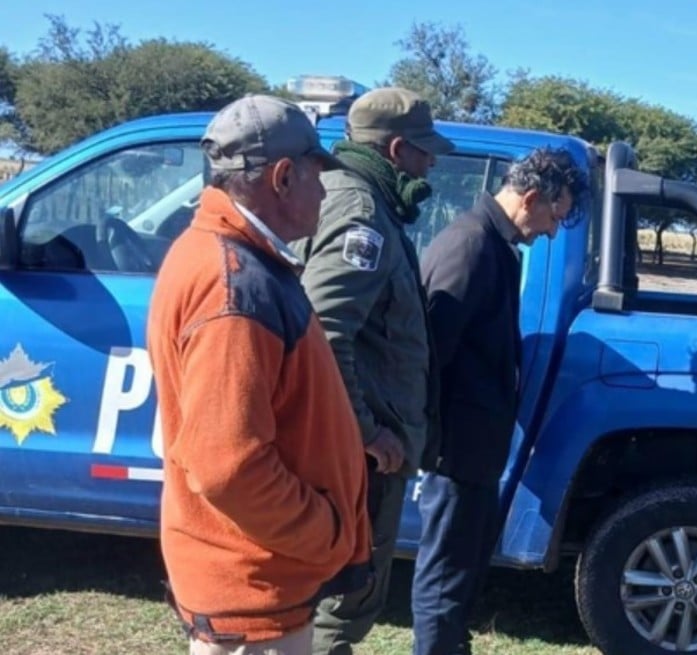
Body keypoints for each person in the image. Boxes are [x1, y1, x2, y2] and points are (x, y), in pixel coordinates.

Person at [145, 95, 372, 655]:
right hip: (254, 596)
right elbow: (227, 466)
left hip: (256, 583)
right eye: (319, 175)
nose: (325, 192)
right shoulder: (233, 282)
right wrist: (325, 536)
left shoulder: (229, 258)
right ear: (284, 176)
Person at [290, 87, 454, 655]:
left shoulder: (359, 201)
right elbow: (324, 332)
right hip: (357, 457)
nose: (431, 163)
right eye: (424, 151)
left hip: (358, 449)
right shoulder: (362, 214)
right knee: (339, 603)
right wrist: (366, 432)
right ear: (396, 148)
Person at [412, 147, 587, 655]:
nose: (553, 231)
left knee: (462, 572)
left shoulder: (496, 245)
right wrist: (436, 445)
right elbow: (428, 356)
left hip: (477, 449)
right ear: (531, 197)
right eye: (554, 216)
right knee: (443, 578)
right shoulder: (469, 248)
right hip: (456, 451)